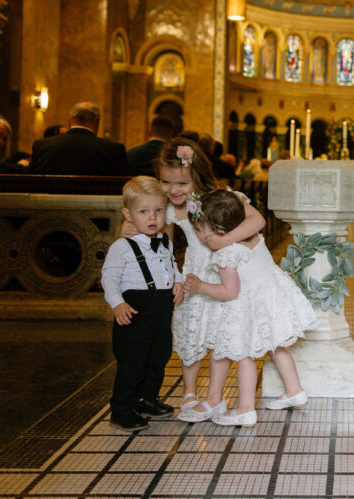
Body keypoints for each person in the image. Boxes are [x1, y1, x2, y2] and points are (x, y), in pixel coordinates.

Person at [154, 138, 266, 422]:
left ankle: (214, 398)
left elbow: (257, 221)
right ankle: (189, 392)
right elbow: (156, 241)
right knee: (190, 329)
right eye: (166, 182)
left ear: (197, 175)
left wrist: (223, 240)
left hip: (222, 275)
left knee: (220, 334)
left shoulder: (217, 197)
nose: (173, 190)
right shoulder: (167, 207)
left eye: (181, 184)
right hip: (193, 273)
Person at [183, 188, 316, 426]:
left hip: (249, 306)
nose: (196, 232)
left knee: (245, 356)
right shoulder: (253, 237)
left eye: (199, 229)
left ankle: (245, 409)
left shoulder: (226, 254)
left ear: (221, 232)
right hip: (272, 298)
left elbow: (229, 291)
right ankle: (295, 390)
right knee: (276, 347)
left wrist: (201, 286)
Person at [100, 176, 184, 431]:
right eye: (144, 211)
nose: (153, 217)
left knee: (158, 357)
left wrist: (178, 281)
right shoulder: (122, 246)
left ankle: (146, 398)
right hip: (134, 310)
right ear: (128, 214)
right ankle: (121, 408)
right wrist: (117, 304)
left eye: (158, 210)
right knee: (132, 362)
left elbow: (171, 266)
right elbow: (109, 278)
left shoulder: (165, 242)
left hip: (160, 310)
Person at [29, 102, 130, 176]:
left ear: (69, 121)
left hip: (47, 204)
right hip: (95, 204)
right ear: (97, 122)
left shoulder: (41, 146)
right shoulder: (113, 150)